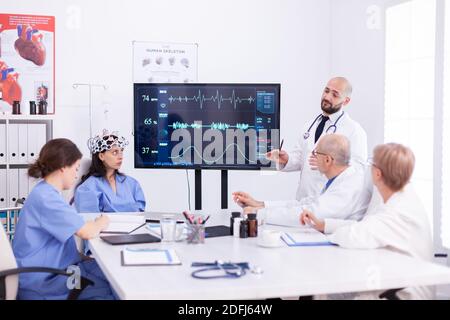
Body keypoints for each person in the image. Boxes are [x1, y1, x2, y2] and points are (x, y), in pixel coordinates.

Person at [301, 143, 434, 299]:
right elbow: (367, 226)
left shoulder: (396, 210)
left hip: (400, 293)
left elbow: (354, 235)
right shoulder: (400, 196)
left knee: (318, 284)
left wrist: (331, 236)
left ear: (377, 173)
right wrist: (324, 224)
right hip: (390, 279)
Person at [12, 138, 115, 300]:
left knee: (109, 273)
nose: (76, 174)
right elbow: (87, 232)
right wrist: (103, 221)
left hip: (58, 271)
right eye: (75, 169)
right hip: (46, 282)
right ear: (62, 168)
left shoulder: (45, 192)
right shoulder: (47, 199)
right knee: (109, 289)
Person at [266, 77, 367, 204]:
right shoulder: (309, 125)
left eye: (335, 95)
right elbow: (301, 158)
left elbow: (359, 169)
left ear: (346, 101)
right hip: (302, 200)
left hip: (329, 203)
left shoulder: (354, 130)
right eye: (326, 91)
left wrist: (333, 162)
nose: (327, 97)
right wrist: (286, 159)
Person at [233, 134, 372, 226]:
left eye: (316, 153)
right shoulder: (341, 178)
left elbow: (309, 214)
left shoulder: (348, 187)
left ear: (328, 160)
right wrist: (260, 204)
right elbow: (306, 202)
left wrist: (258, 213)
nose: (312, 157)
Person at [74, 129, 146, 213]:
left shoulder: (132, 184)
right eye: (115, 152)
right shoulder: (87, 188)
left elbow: (140, 212)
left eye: (121, 151)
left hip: (136, 225)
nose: (120, 157)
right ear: (101, 156)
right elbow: (90, 220)